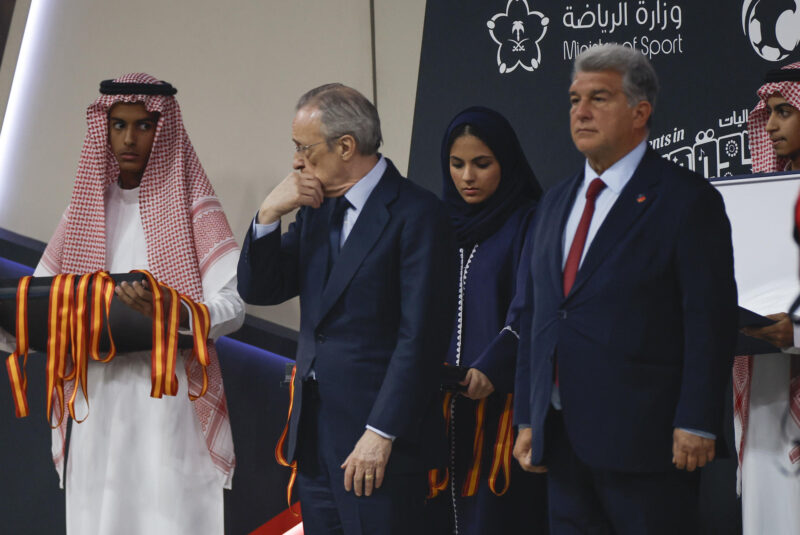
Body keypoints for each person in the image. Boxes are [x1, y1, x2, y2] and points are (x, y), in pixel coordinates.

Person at [512, 44, 738, 534]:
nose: (581, 112)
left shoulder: (686, 200)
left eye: (599, 98)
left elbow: (709, 319)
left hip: (648, 442)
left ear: (641, 112)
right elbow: (536, 315)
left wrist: (698, 419)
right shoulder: (552, 203)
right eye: (574, 100)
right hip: (563, 437)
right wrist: (527, 418)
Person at [26, 73, 244, 534]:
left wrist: (171, 313)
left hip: (167, 400)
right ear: (102, 128)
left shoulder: (192, 207)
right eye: (119, 124)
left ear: (162, 129)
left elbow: (234, 303)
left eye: (144, 126)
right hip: (96, 399)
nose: (129, 138)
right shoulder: (85, 207)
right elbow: (39, 298)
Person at [236, 83, 455, 534]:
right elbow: (262, 287)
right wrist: (268, 215)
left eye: (304, 149)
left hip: (380, 446)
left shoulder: (418, 214)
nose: (297, 162)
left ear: (346, 146)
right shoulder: (316, 209)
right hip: (316, 440)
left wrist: (381, 432)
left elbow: (422, 339)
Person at [423, 106, 548, 534]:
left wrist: (492, 368)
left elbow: (530, 306)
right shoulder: (436, 224)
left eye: (482, 163)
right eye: (457, 164)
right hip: (437, 413)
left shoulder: (530, 219)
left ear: (506, 162)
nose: (467, 177)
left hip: (502, 412)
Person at [734, 60, 800, 535]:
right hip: (764, 386)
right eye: (768, 113)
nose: (771, 125)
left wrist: (793, 331)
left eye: (784, 112)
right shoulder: (757, 197)